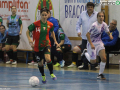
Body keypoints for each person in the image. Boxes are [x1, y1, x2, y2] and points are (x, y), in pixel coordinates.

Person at [26, 7, 59, 84]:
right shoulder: (35, 24)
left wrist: (56, 41)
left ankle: (51, 73)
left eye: (45, 15)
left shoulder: (50, 24)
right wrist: (30, 40)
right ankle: (43, 76)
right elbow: (27, 32)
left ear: (48, 15)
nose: (44, 16)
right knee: (40, 63)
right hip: (37, 46)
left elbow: (52, 33)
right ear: (40, 15)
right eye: (43, 15)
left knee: (47, 58)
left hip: (46, 44)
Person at [68, 2, 98, 69]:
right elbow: (78, 24)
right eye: (88, 7)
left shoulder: (96, 15)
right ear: (86, 7)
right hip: (84, 37)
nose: (90, 8)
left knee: (93, 52)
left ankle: (93, 66)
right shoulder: (83, 14)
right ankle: (85, 65)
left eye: (91, 7)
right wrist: (78, 31)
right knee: (84, 51)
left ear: (93, 8)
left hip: (93, 38)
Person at [85, 12, 113, 80]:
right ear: (97, 17)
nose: (101, 17)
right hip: (92, 43)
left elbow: (107, 31)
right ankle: (85, 53)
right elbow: (87, 34)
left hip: (99, 43)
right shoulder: (94, 25)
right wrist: (91, 44)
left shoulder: (104, 24)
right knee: (93, 62)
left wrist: (110, 35)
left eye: (102, 16)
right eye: (99, 16)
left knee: (104, 58)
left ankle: (100, 74)